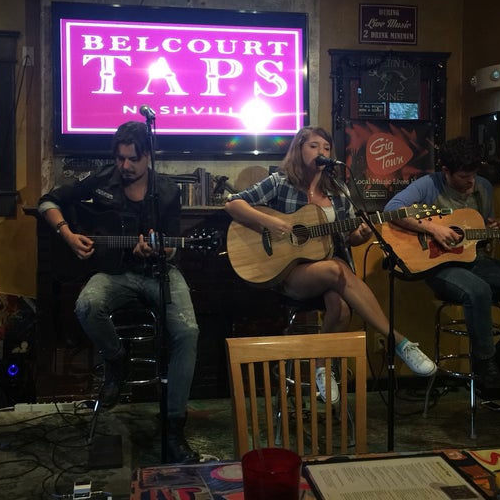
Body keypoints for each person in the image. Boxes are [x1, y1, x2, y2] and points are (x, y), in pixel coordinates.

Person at [224, 126, 436, 404]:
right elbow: (233, 205)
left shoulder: (338, 190)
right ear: (299, 150)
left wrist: (360, 235)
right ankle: (398, 341)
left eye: (326, 148)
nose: (321, 152)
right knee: (335, 269)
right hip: (288, 274)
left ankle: (320, 367)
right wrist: (271, 222)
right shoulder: (280, 182)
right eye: (313, 146)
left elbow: (346, 237)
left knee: (341, 308)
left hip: (328, 272)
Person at [37, 120, 200, 463]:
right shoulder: (102, 182)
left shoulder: (168, 192)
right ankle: (115, 360)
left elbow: (173, 248)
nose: (125, 167)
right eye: (120, 158)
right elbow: (48, 202)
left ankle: (173, 428)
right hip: (114, 273)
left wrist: (159, 250)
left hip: (158, 272)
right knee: (86, 305)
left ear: (148, 158)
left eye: (132, 160)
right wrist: (67, 234)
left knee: (188, 331)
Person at [383, 136, 500, 391]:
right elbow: (391, 210)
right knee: (478, 289)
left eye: (473, 174)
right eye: (464, 176)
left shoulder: (483, 187)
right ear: (446, 172)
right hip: (438, 266)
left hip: (474, 260)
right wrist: (433, 229)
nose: (470, 181)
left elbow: (476, 229)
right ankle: (484, 364)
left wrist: (493, 229)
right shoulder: (429, 185)